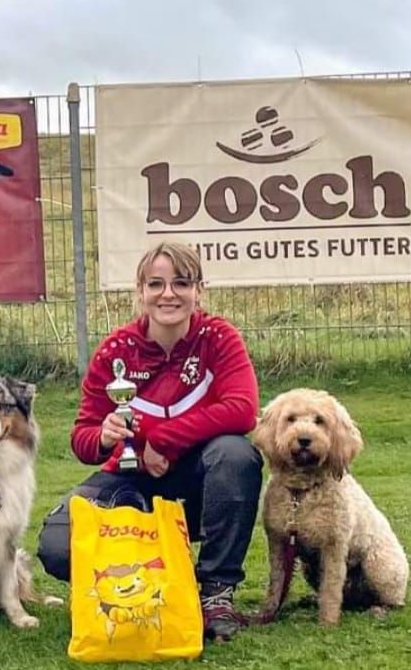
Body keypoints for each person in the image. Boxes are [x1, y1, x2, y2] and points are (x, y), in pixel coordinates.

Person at [36, 241, 263, 642]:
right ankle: (140, 586)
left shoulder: (218, 337)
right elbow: (82, 437)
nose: (168, 294)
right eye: (155, 284)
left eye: (181, 282)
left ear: (199, 291)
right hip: (133, 480)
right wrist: (104, 436)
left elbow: (242, 410)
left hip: (201, 481)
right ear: (140, 292)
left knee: (236, 454)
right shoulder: (115, 351)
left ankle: (215, 593)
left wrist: (162, 440)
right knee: (57, 545)